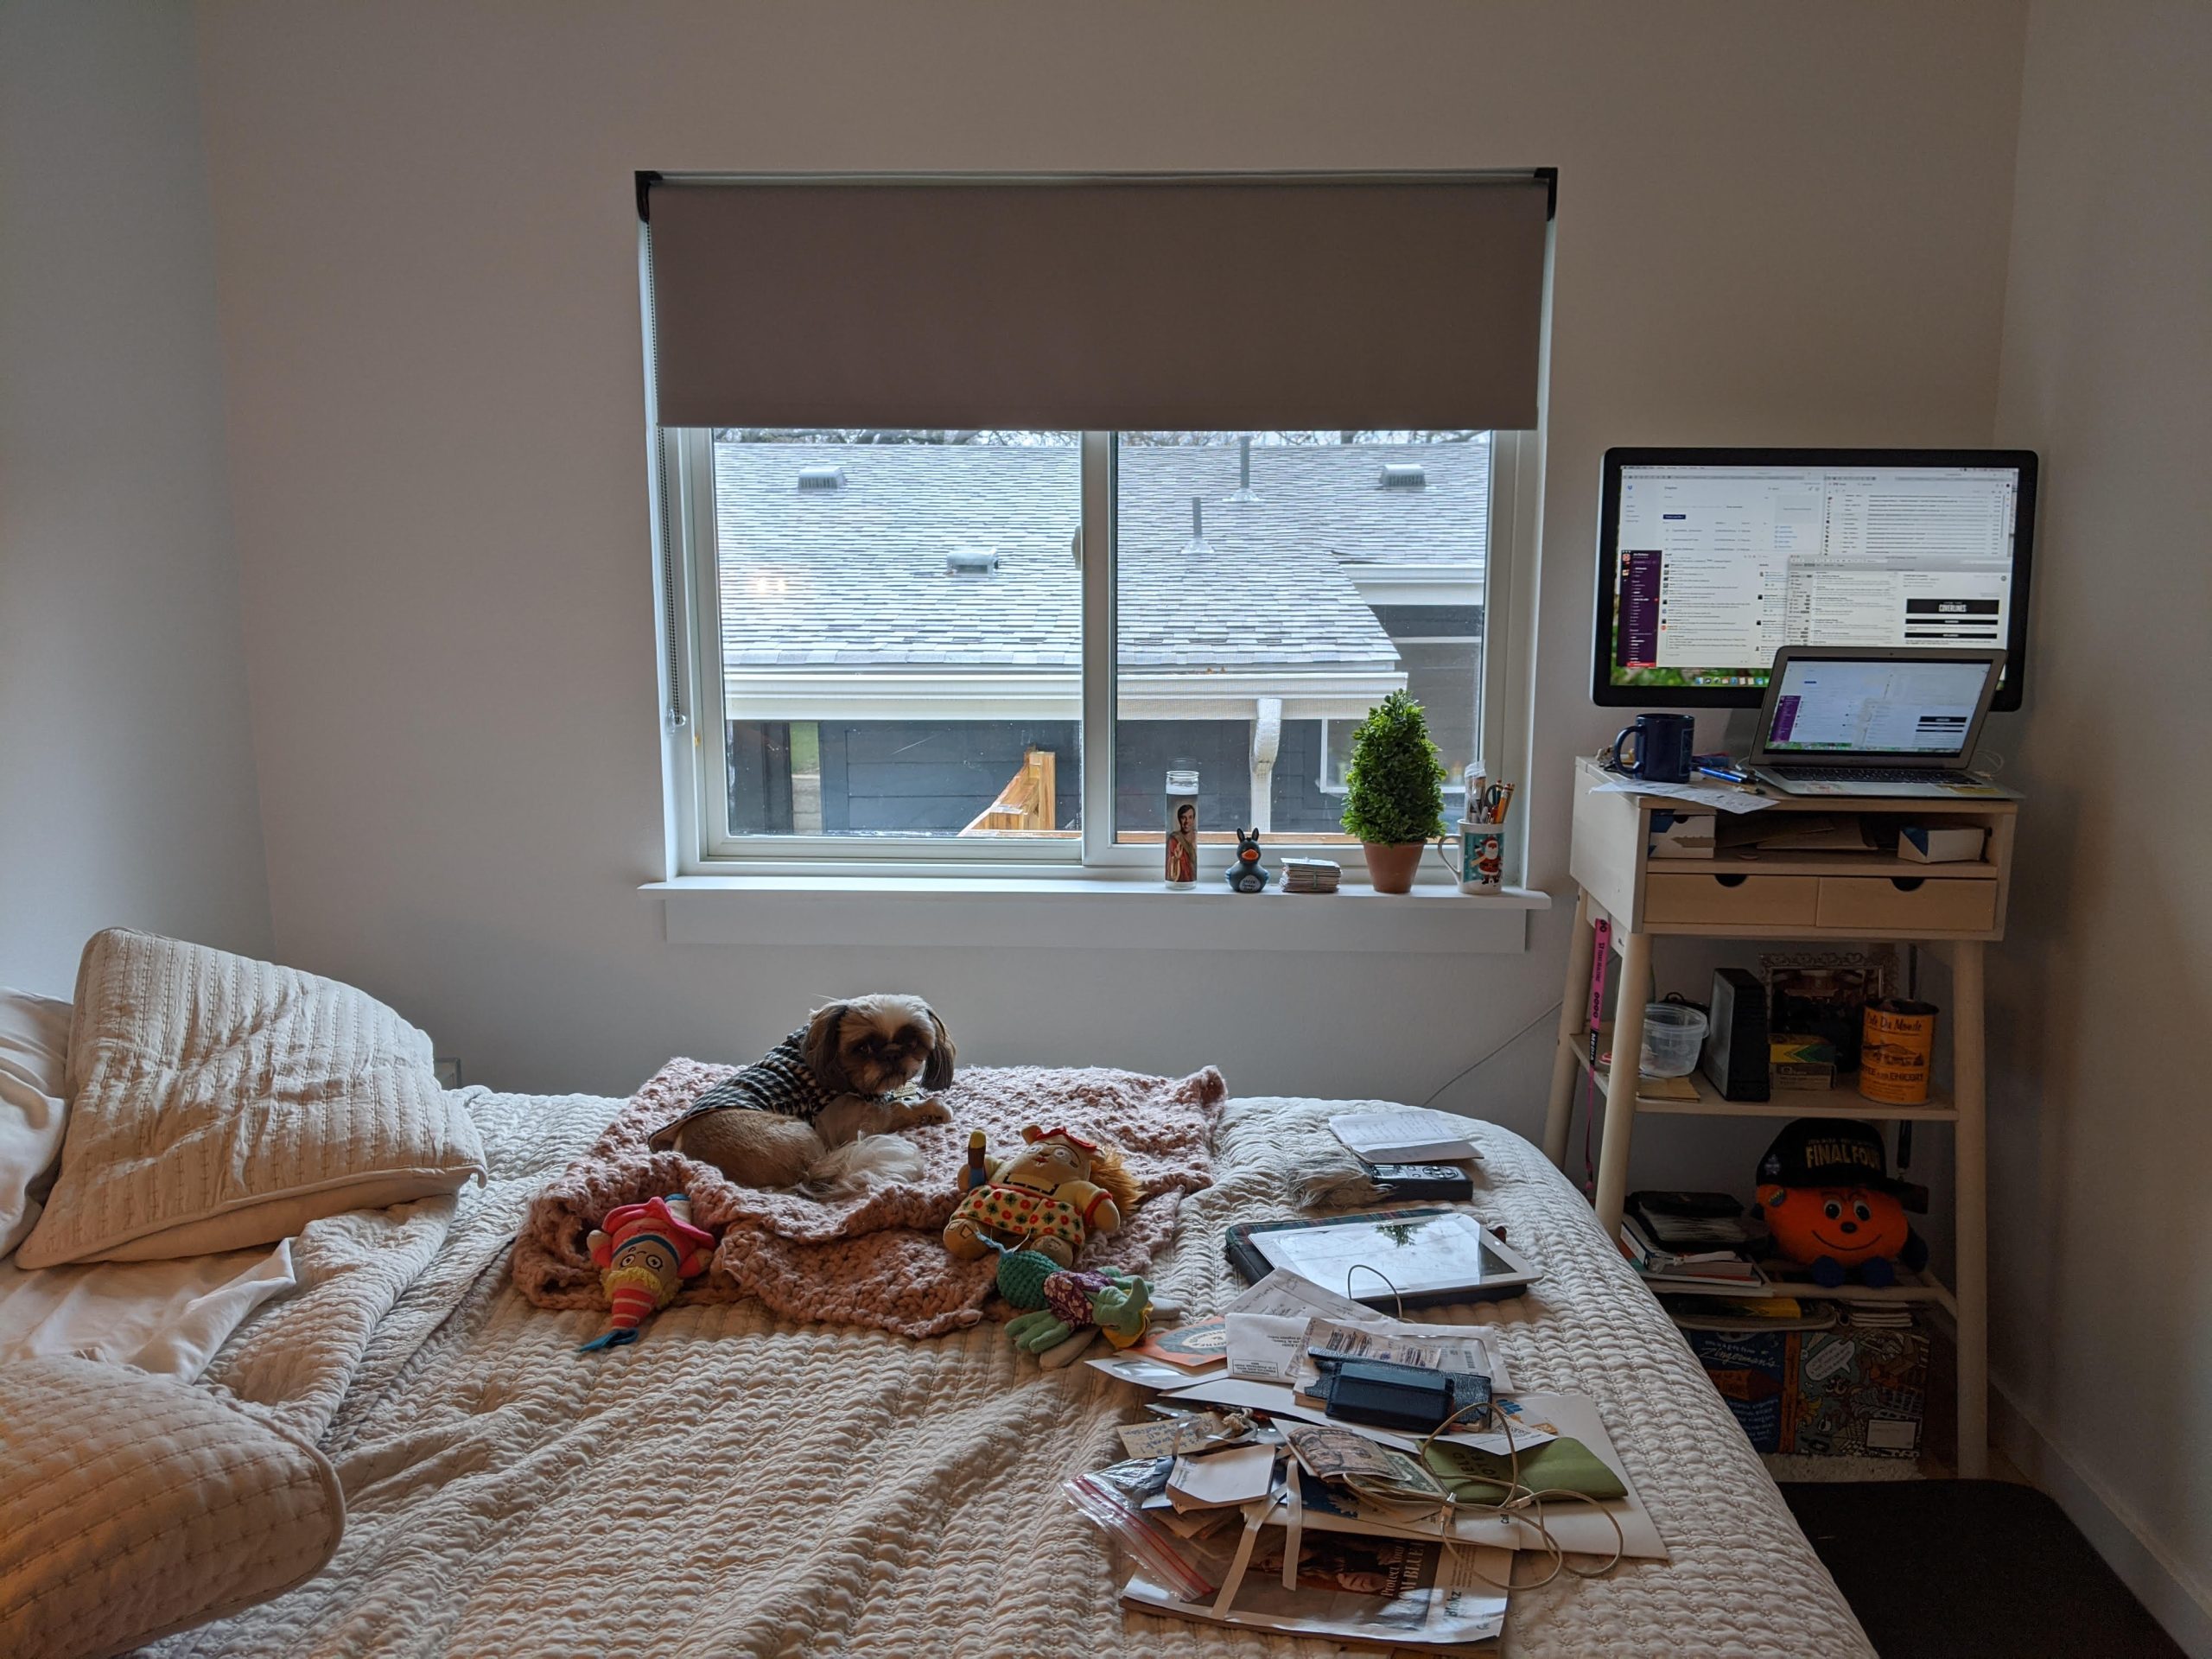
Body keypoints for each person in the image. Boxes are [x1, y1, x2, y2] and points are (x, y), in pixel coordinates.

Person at [1166, 802, 1198, 885]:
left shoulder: (1197, 837)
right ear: (1179, 819)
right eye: (1183, 818)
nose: (1187, 821)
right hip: (1180, 884)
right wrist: (1176, 859)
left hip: (1192, 884)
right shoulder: (1174, 839)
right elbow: (1171, 875)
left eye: (1190, 817)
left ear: (1193, 819)